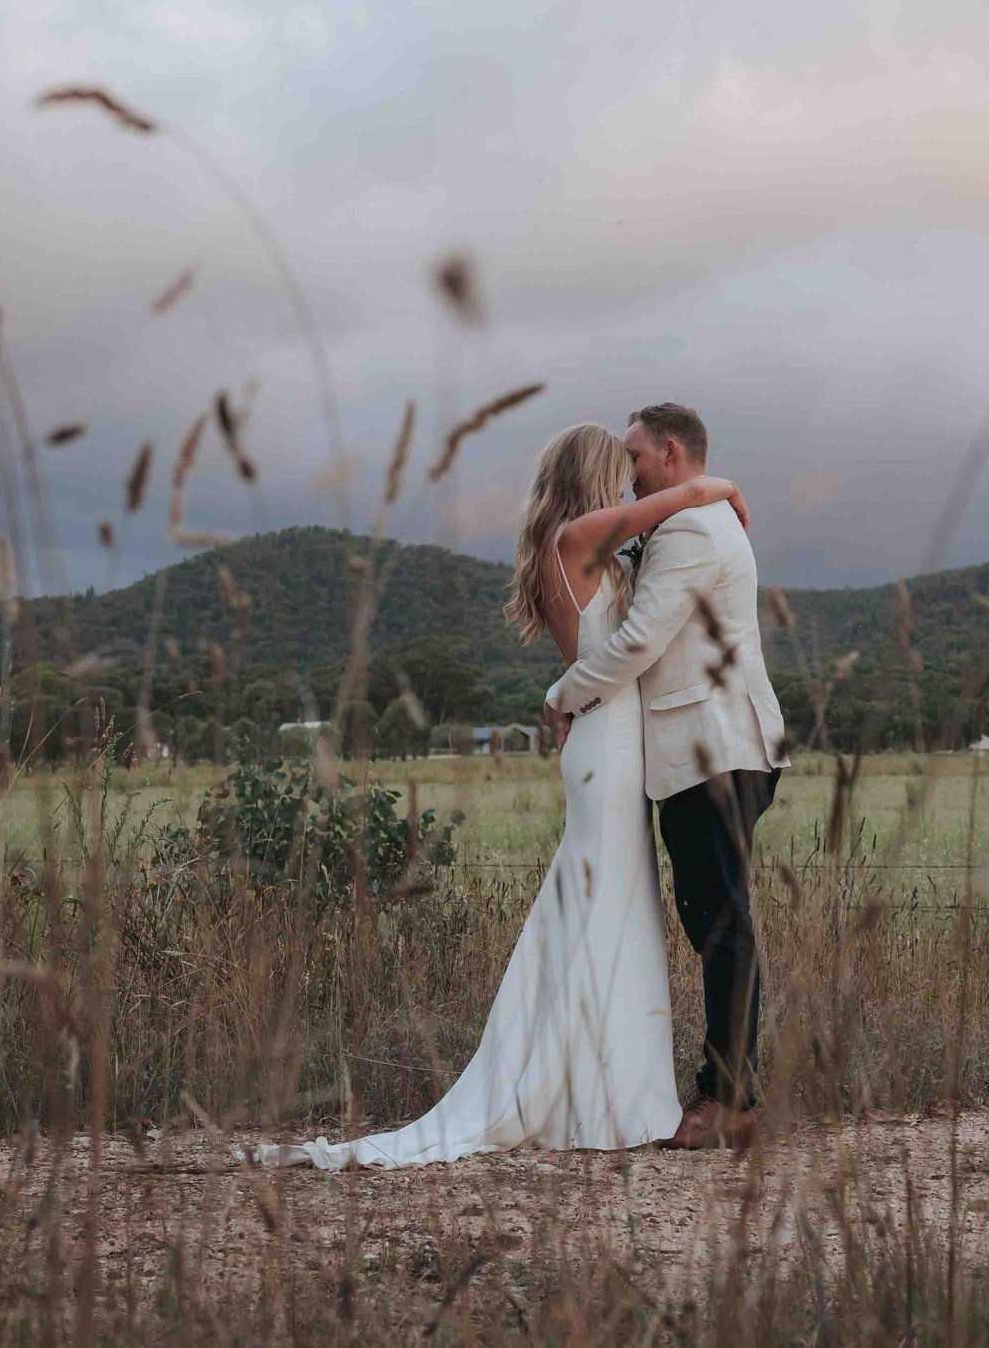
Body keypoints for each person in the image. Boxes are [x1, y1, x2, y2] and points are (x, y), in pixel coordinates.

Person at [256, 422, 750, 1169]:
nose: (626, 486)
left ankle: (600, 1089)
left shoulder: (573, 545)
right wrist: (723, 486)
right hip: (607, 748)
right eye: (616, 473)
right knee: (605, 908)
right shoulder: (576, 538)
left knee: (607, 909)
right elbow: (683, 497)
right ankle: (595, 1095)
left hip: (606, 743)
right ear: (590, 476)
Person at [544, 402, 788, 1150]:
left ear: (672, 453)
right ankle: (726, 1091)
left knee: (721, 924)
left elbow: (643, 639)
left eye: (637, 456)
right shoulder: (681, 520)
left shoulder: (686, 528)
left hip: (711, 747)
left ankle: (731, 1101)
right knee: (713, 919)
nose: (629, 472)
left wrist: (562, 694)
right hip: (701, 747)